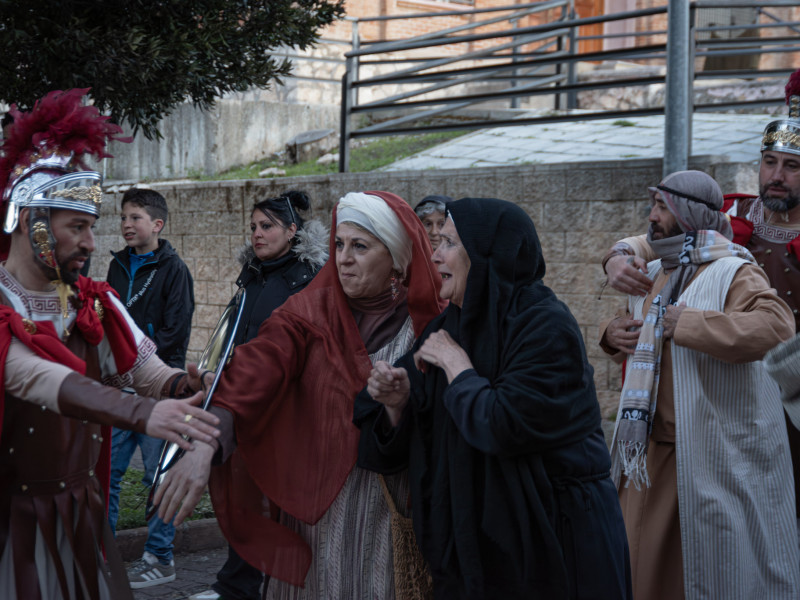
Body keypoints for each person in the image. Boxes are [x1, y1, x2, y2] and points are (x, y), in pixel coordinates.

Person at [154, 191, 445, 599]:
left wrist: (402, 404)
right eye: (339, 244)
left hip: (390, 507)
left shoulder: (429, 323)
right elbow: (259, 366)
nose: (343, 258)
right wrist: (206, 441)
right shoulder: (308, 312)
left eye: (360, 247)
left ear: (396, 256)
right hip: (317, 507)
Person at [0, 89, 220, 600]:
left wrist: (184, 382)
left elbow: (143, 368)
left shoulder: (93, 301)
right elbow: (35, 376)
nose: (92, 243)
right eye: (77, 227)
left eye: (93, 228)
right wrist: (143, 415)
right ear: (34, 225)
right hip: (10, 515)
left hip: (79, 512)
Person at [357, 197, 632, 599]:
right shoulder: (449, 322)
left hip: (557, 538)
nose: (435, 256)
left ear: (488, 255)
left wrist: (457, 367)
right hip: (477, 550)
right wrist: (397, 403)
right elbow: (409, 428)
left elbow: (503, 425)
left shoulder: (546, 325)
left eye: (449, 243)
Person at [601, 68, 800, 545]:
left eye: (792, 166)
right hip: (723, 399)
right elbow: (660, 235)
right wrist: (618, 256)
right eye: (769, 161)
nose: (776, 175)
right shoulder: (729, 218)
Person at [600, 171, 798, 599]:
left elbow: (777, 326)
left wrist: (689, 323)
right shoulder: (655, 269)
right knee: (630, 569)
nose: (651, 217)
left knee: (688, 573)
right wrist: (613, 334)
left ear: (687, 215)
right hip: (641, 452)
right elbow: (641, 340)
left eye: (661, 208)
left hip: (702, 456)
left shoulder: (733, 270)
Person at [189, 190, 328, 600]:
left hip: (288, 408)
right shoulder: (252, 274)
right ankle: (240, 584)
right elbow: (235, 334)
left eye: (267, 226)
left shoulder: (311, 279)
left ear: (292, 229)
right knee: (246, 495)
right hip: (246, 400)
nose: (257, 234)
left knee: (277, 500)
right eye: (253, 227)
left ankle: (265, 583)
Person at [104, 186, 195, 588]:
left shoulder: (175, 271)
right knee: (106, 472)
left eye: (135, 217)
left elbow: (177, 332)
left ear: (156, 224)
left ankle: (159, 557)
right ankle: (100, 553)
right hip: (118, 390)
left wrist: (139, 353)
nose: (126, 224)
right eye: (123, 217)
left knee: (158, 477)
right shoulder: (116, 267)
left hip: (160, 388)